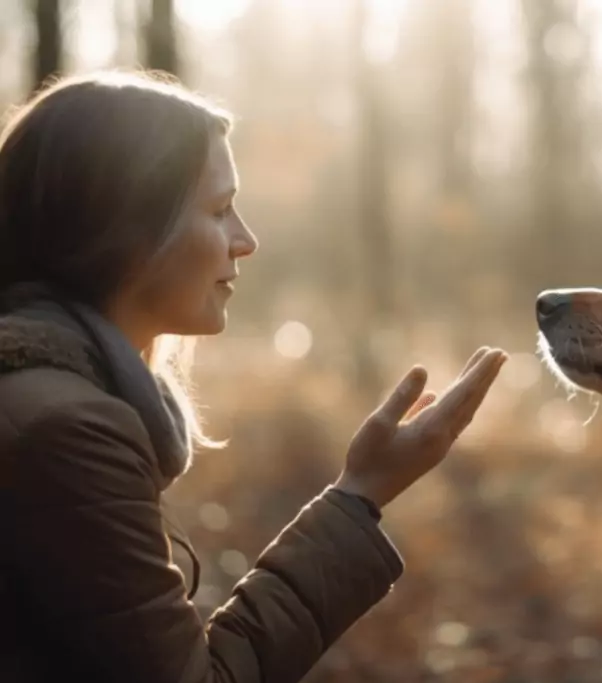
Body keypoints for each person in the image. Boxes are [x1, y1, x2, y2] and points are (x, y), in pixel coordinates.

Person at [0, 70, 507, 683]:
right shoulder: (67, 430)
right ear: (127, 227)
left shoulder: (42, 400)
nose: (246, 241)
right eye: (219, 210)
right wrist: (360, 494)